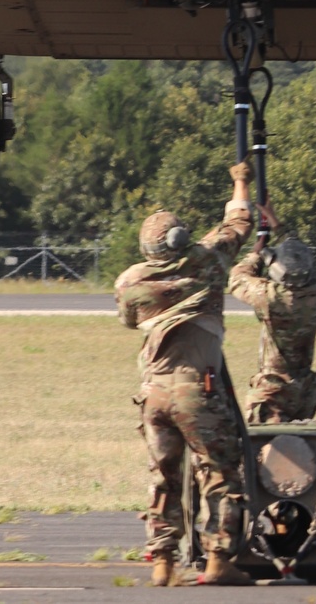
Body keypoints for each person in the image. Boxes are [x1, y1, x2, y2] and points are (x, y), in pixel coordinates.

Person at [114, 162, 259, 587]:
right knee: (220, 472)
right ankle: (218, 560)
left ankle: (162, 562)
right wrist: (240, 181)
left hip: (153, 393)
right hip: (198, 388)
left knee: (163, 476)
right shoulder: (209, 260)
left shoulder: (131, 282)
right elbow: (239, 221)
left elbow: (128, 321)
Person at [228, 210, 316, 424]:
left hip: (274, 391)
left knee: (272, 451)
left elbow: (237, 279)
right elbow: (296, 248)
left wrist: (256, 253)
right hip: (303, 390)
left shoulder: (271, 298)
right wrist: (270, 214)